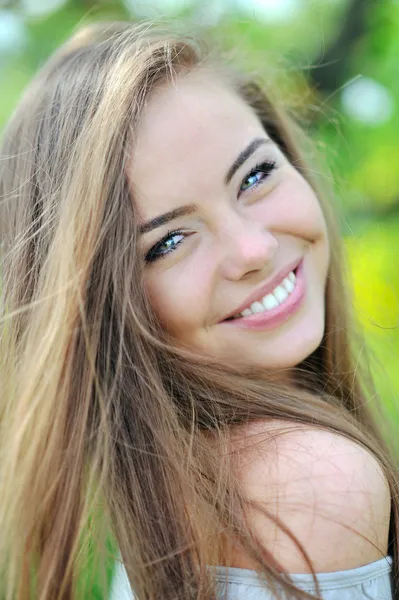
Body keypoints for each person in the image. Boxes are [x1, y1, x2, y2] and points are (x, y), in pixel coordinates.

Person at [0, 20, 396, 600]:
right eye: (168, 242)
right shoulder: (308, 484)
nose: (253, 250)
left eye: (256, 175)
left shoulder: (164, 487)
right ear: (103, 307)